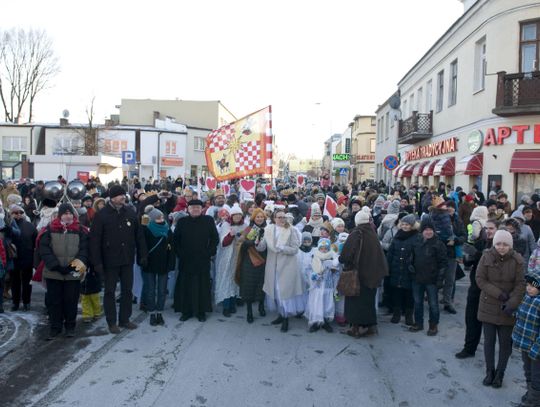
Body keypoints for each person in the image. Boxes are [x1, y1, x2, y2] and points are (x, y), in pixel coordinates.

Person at [90, 185, 147, 334]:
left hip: (127, 258)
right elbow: (95, 241)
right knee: (109, 292)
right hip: (109, 260)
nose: (123, 197)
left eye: (123, 195)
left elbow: (138, 235)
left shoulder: (130, 212)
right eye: (120, 195)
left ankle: (124, 319)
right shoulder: (102, 215)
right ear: (113, 197)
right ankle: (111, 321)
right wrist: (97, 262)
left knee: (127, 290)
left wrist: (142, 254)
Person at [476, 229, 526, 388]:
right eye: (498, 244)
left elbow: (521, 284)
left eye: (505, 244)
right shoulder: (486, 257)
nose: (501, 247)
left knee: (505, 344)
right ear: (494, 243)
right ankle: (489, 371)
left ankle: (500, 373)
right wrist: (499, 294)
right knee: (489, 342)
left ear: (510, 245)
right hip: (488, 305)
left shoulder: (518, 260)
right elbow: (480, 279)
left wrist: (512, 303)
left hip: (508, 308)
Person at [39, 204, 89, 339]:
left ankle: (70, 327)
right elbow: (44, 249)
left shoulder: (80, 230)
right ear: (60, 215)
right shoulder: (49, 229)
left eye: (70, 213)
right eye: (65, 213)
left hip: (73, 272)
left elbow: (84, 250)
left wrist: (74, 266)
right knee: (54, 301)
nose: (68, 216)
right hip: (54, 272)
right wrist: (55, 265)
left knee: (71, 301)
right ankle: (55, 327)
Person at [339, 206, 388, 338]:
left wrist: (342, 259)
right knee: (368, 301)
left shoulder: (356, 233)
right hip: (373, 274)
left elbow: (346, 255)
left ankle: (355, 328)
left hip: (359, 274)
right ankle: (371, 327)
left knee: (355, 301)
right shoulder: (372, 233)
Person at [455, 217, 497, 359]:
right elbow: (469, 263)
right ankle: (469, 348)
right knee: (471, 318)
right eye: (487, 228)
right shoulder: (481, 242)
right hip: (475, 286)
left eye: (492, 228)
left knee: (491, 325)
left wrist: (477, 254)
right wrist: (468, 255)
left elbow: (493, 262)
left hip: (492, 290)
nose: (488, 231)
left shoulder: (501, 245)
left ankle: (493, 356)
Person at [257, 208, 304, 333]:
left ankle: (286, 318)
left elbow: (295, 249)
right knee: (276, 291)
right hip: (272, 266)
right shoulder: (268, 230)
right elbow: (262, 248)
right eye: (279, 217)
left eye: (284, 217)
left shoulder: (292, 230)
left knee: (285, 293)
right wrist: (257, 242)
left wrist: (283, 248)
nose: (282, 219)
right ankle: (280, 314)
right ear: (274, 218)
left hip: (287, 266)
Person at [173, 199, 219, 322]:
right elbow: (175, 240)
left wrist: (209, 252)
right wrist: (180, 253)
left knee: (202, 286)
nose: (195, 209)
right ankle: (186, 311)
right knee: (185, 286)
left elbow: (215, 239)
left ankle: (201, 311)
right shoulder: (182, 222)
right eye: (192, 207)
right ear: (188, 209)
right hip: (186, 260)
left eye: (198, 207)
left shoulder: (208, 221)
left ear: (202, 209)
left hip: (202, 259)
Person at [408, 219, 448, 335]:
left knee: (433, 304)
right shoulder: (417, 242)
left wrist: (440, 279)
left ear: (434, 231)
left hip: (432, 279)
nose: (428, 232)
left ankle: (433, 325)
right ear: (422, 231)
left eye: (430, 230)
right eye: (426, 230)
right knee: (417, 302)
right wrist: (410, 265)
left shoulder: (438, 244)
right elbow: (411, 256)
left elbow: (443, 263)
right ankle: (419, 323)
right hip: (417, 278)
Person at [512, 263, 540, 406]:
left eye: (533, 285)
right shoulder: (526, 297)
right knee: (527, 371)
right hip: (524, 343)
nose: (529, 288)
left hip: (536, 348)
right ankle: (530, 393)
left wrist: (537, 348)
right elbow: (521, 315)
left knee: (537, 376)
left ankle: (533, 401)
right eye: (528, 284)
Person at [142, 208, 173, 326]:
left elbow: (171, 247)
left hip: (163, 264)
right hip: (149, 264)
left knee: (161, 290)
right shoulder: (147, 229)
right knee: (150, 290)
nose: (160, 219)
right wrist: (143, 259)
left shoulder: (167, 228)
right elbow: (142, 245)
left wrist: (170, 263)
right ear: (152, 218)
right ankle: (151, 313)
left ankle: (159, 312)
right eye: (157, 217)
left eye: (161, 217)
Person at [214, 203, 247, 317]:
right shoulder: (226, 225)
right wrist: (231, 235)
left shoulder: (244, 226)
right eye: (235, 215)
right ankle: (226, 306)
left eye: (239, 215)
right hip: (227, 258)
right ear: (231, 216)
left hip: (238, 257)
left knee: (235, 281)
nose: (237, 217)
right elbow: (223, 243)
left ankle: (233, 304)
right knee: (226, 279)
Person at [236, 208, 267, 323]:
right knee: (249, 286)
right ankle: (249, 311)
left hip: (264, 260)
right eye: (257, 217)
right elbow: (241, 245)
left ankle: (261, 306)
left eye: (261, 216)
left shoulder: (267, 229)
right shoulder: (249, 229)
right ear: (253, 218)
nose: (259, 218)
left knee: (262, 285)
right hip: (249, 261)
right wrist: (252, 242)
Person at [386, 214, 418, 325]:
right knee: (397, 293)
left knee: (409, 294)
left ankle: (409, 315)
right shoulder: (397, 236)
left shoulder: (416, 237)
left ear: (412, 226)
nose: (404, 226)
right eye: (403, 224)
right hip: (396, 269)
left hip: (409, 270)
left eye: (407, 224)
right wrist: (388, 266)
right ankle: (396, 313)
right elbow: (391, 252)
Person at [306, 238, 338, 333]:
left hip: (328, 285)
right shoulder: (314, 256)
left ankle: (325, 321)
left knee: (326, 303)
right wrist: (313, 275)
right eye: (322, 248)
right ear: (319, 248)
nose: (324, 250)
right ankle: (316, 321)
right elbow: (308, 269)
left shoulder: (332, 257)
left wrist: (333, 270)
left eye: (326, 248)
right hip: (317, 286)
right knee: (316, 303)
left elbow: (337, 272)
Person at [9, 204, 37, 311]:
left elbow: (35, 242)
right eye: (15, 213)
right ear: (11, 214)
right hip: (14, 258)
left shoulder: (29, 225)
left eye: (21, 212)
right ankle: (15, 302)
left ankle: (26, 302)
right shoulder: (8, 226)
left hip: (27, 257)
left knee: (27, 281)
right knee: (14, 281)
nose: (19, 215)